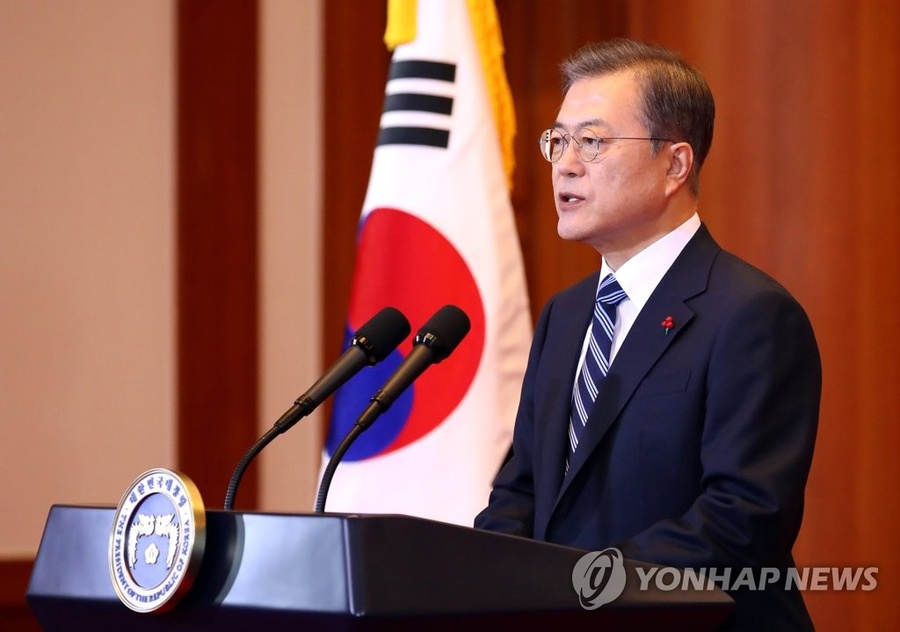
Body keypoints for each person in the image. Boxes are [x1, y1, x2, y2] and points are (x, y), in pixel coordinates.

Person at [474, 38, 821, 631]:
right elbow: (521, 489)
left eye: (594, 140)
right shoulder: (565, 314)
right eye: (558, 140)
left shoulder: (751, 314)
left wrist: (578, 586)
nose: (565, 163)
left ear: (675, 164)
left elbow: (743, 519)